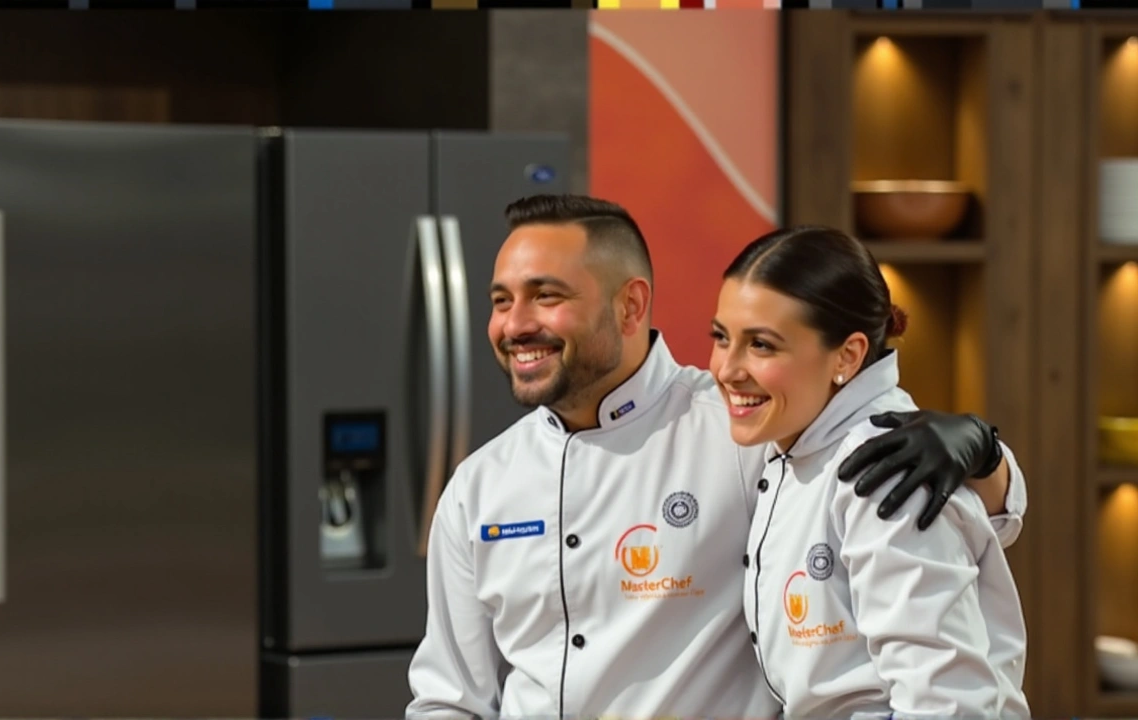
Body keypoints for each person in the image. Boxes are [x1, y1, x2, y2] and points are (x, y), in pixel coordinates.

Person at [404, 194, 1027, 720]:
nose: (515, 324)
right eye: (501, 300)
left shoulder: (744, 430)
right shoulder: (476, 487)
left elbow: (918, 501)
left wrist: (983, 453)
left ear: (630, 305)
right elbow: (449, 697)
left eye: (545, 296)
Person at [712, 225, 1029, 718]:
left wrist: (988, 454)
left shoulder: (881, 471)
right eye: (721, 337)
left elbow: (946, 703)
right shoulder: (794, 431)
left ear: (849, 355)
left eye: (762, 346)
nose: (726, 369)